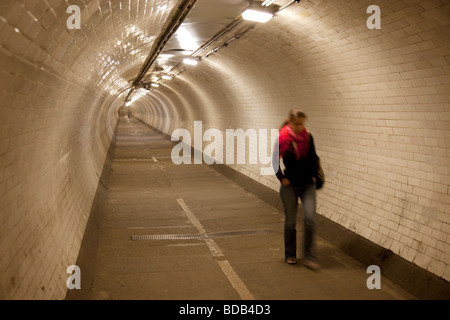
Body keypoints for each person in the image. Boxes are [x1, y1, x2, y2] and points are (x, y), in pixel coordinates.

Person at [276, 109, 321, 270]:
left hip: (308, 184)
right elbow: (274, 161)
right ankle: (290, 254)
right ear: (290, 122)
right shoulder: (282, 139)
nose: (299, 127)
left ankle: (309, 255)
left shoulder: (308, 137)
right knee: (291, 221)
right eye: (296, 124)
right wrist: (282, 179)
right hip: (290, 186)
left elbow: (314, 157)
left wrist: (315, 175)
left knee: (310, 219)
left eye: (302, 123)